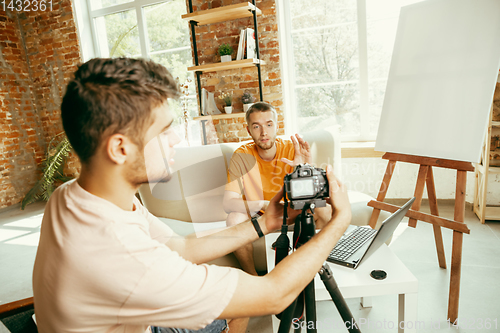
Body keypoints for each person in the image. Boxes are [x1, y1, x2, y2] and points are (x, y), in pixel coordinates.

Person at [32, 58, 351, 333]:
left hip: (125, 317)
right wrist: (339, 222)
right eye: (164, 130)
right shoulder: (120, 252)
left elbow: (181, 247)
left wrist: (264, 222)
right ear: (119, 148)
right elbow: (274, 295)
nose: (177, 138)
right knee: (237, 305)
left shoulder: (72, 196)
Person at [223, 102, 332, 275]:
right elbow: (228, 203)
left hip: (291, 211)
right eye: (256, 126)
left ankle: (311, 270)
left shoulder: (292, 149)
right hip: (259, 214)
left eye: (268, 124)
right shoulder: (241, 155)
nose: (264, 132)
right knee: (233, 219)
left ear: (277, 126)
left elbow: (316, 197)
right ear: (248, 130)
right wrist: (264, 204)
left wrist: (304, 169)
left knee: (325, 210)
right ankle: (255, 279)